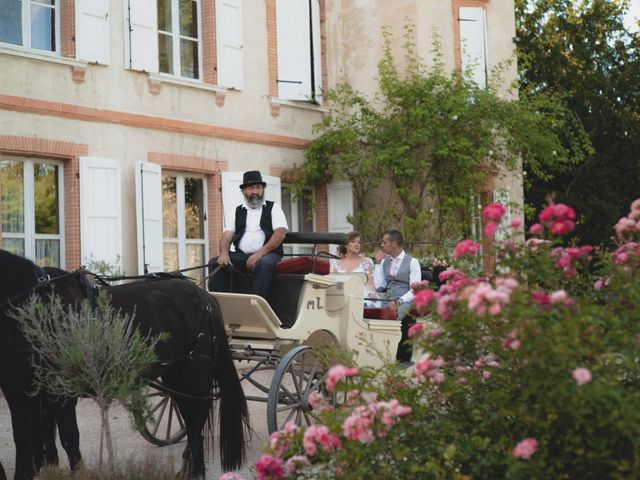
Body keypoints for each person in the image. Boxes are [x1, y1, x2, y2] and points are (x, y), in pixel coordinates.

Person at [209, 170, 288, 298]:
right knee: (215, 262)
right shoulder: (237, 211)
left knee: (263, 264)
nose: (255, 191)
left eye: (259, 187)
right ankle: (219, 305)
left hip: (268, 255)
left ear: (263, 189)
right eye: (251, 188)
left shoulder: (274, 208)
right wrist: (224, 253)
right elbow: (227, 236)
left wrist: (259, 254)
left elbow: (280, 234)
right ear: (244, 191)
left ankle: (256, 305)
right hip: (242, 257)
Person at [373, 230, 421, 363]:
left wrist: (399, 301)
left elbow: (414, 290)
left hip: (406, 298)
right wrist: (377, 263)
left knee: (392, 315)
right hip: (388, 297)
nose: (382, 245)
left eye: (384, 242)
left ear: (393, 244)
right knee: (372, 312)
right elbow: (380, 285)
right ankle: (379, 355)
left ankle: (401, 359)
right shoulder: (385, 262)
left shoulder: (413, 262)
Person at [330, 231, 379, 306]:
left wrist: (371, 293)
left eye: (359, 242)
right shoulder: (336, 264)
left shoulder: (366, 261)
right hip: (343, 296)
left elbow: (370, 283)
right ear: (346, 245)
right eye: (353, 242)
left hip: (363, 296)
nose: (357, 244)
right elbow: (335, 284)